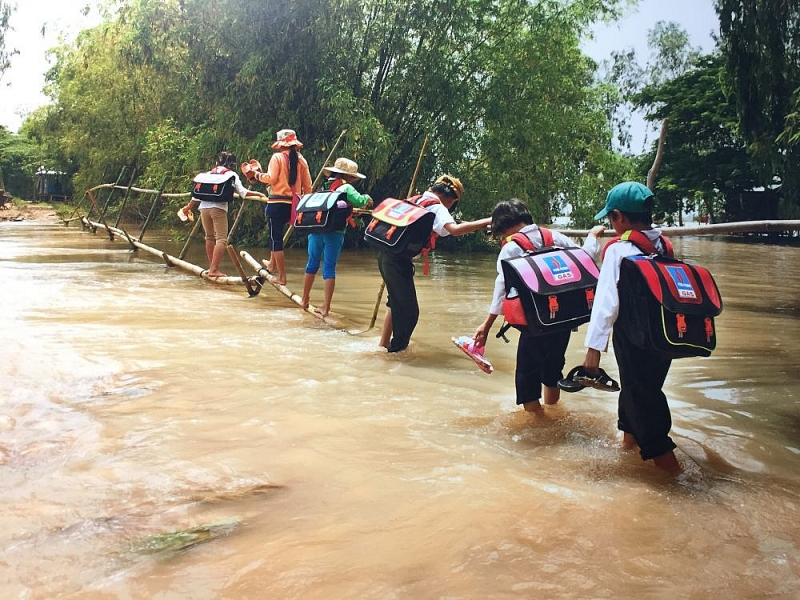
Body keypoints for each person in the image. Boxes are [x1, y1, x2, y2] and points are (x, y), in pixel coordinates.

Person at [581, 181, 682, 475]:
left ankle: (677, 478)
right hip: (663, 338)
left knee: (644, 404)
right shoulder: (664, 244)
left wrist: (593, 350)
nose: (611, 226)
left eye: (610, 219)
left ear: (619, 217)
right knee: (639, 392)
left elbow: (605, 303)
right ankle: (628, 452)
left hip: (634, 339)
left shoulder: (619, 249)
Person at [472, 198, 604, 414]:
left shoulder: (511, 247)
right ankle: (553, 411)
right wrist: (592, 236)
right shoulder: (554, 236)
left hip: (535, 321)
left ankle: (540, 426)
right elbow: (586, 257)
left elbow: (501, 289)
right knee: (553, 368)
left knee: (527, 375)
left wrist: (486, 326)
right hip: (562, 317)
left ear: (501, 227)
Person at [378, 174, 492, 353]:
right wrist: (488, 221)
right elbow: (453, 230)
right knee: (409, 313)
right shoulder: (438, 207)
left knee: (395, 302)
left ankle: (383, 345)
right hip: (398, 262)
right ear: (451, 198)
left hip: (385, 255)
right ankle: (395, 352)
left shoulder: (416, 199)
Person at [300, 157, 374, 316]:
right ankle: (326, 308)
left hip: (316, 229)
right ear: (348, 176)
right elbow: (360, 201)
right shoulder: (346, 188)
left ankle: (304, 299)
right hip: (334, 232)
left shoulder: (322, 186)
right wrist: (367, 198)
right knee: (328, 268)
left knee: (311, 264)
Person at [247, 129, 313, 285]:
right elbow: (308, 187)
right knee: (277, 236)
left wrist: (256, 175)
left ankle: (282, 276)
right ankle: (271, 264)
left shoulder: (277, 157)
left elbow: (271, 178)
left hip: (277, 203)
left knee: (275, 239)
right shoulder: (302, 160)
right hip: (293, 205)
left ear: (281, 144)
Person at [181, 151, 260, 278]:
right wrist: (259, 194)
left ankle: (211, 267)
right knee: (221, 239)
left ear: (218, 162)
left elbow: (196, 195)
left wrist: (188, 207)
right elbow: (243, 193)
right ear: (232, 164)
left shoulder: (207, 174)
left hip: (203, 209)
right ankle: (214, 269)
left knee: (209, 237)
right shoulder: (231, 174)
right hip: (218, 208)